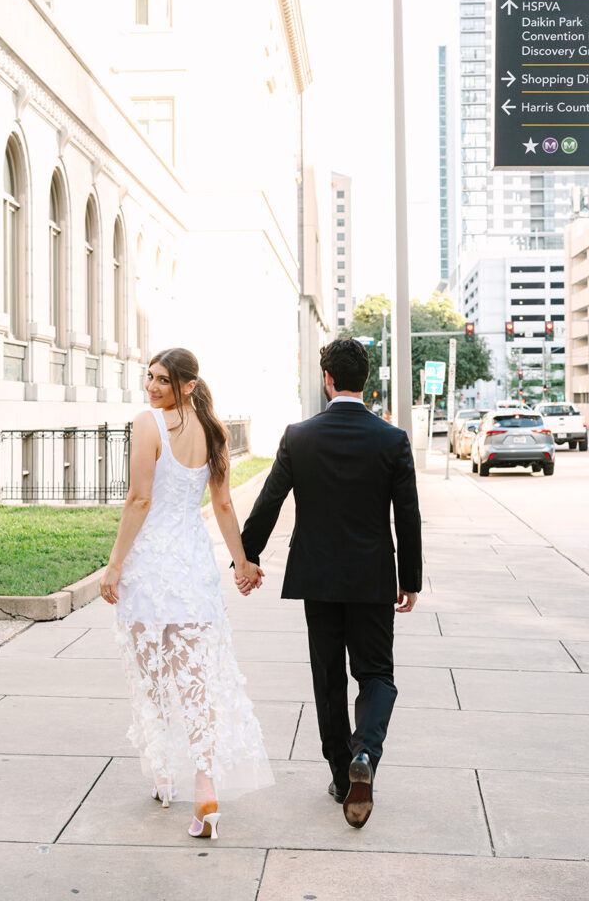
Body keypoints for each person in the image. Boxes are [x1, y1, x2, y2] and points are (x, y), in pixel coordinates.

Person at [237, 338, 422, 829]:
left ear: (327, 379)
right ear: (367, 380)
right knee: (377, 674)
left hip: (317, 578)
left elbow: (269, 502)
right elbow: (409, 517)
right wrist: (412, 580)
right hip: (374, 578)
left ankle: (343, 776)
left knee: (328, 678)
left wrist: (245, 557)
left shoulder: (299, 436)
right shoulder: (392, 440)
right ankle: (367, 754)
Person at [100, 347, 273, 841]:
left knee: (153, 673)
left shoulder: (147, 423)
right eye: (149, 377)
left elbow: (139, 498)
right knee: (193, 679)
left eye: (162, 380)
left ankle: (166, 775)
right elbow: (220, 504)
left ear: (188, 385)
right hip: (193, 566)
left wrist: (113, 566)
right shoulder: (214, 430)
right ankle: (204, 788)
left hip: (152, 565)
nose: (151, 387)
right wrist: (239, 562)